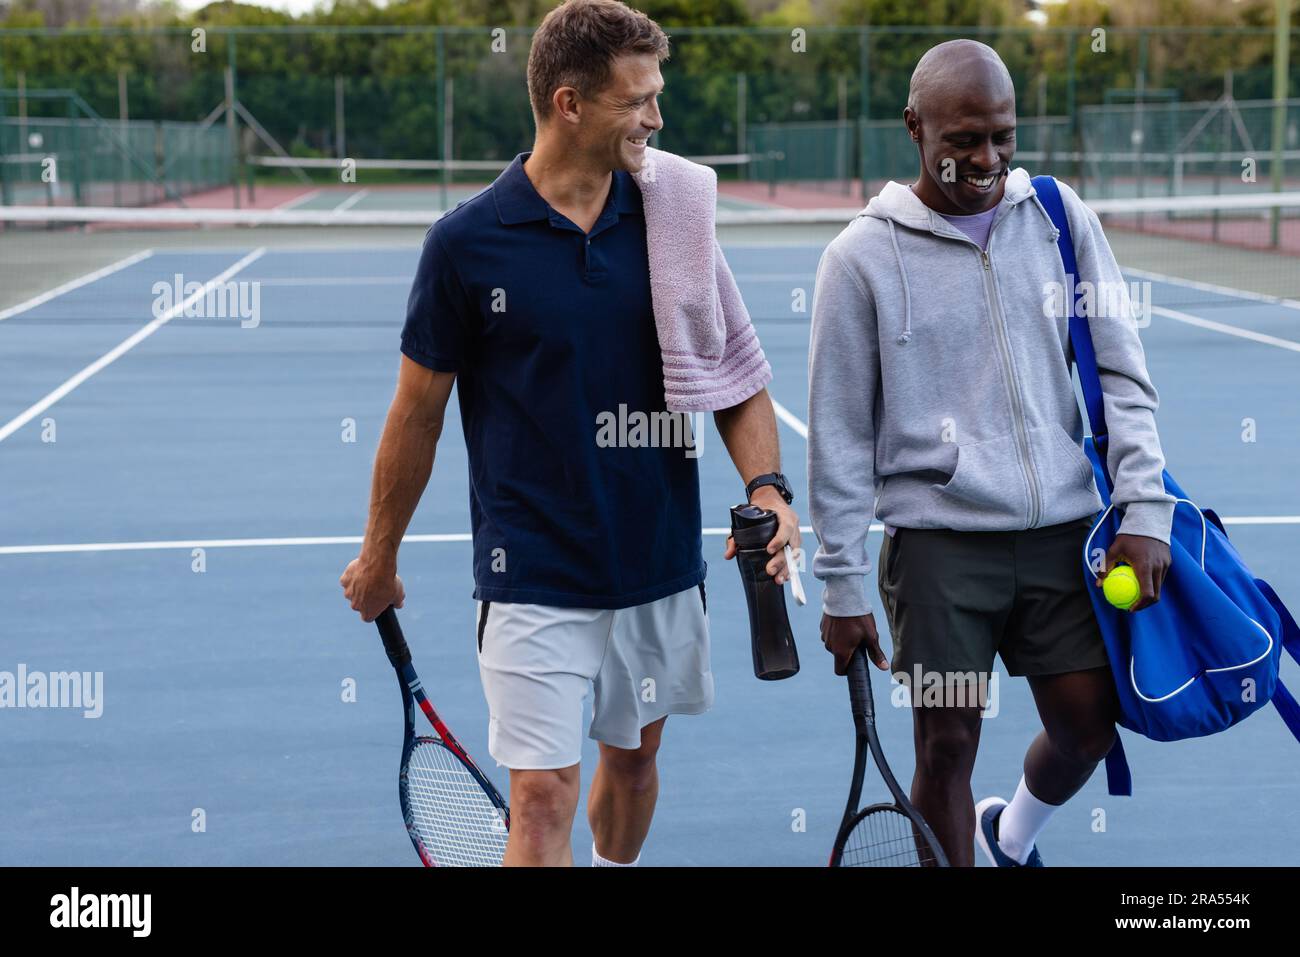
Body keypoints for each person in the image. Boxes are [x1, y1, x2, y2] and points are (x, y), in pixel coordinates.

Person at [340, 0, 799, 867]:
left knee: (632, 764)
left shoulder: (677, 217)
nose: (657, 118)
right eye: (638, 101)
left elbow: (737, 377)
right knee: (542, 795)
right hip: (531, 571)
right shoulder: (466, 245)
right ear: (570, 103)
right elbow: (417, 415)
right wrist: (380, 555)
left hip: (657, 561)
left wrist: (769, 490)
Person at [807, 39, 1174, 867]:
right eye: (964, 138)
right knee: (944, 748)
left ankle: (1007, 835)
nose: (987, 158)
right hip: (939, 552)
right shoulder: (857, 258)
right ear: (915, 126)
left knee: (1086, 725)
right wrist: (841, 579)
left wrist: (1146, 509)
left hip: (1060, 535)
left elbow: (1122, 369)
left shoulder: (1059, 216)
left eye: (1003, 135)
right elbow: (837, 435)